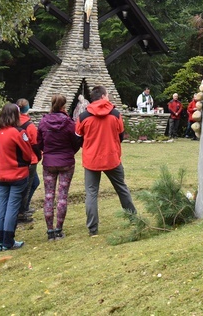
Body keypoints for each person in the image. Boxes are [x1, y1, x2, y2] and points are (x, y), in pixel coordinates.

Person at [76, 86, 137, 236]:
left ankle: (93, 229)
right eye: (107, 95)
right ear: (103, 96)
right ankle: (133, 218)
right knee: (122, 188)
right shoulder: (116, 114)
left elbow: (78, 138)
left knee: (91, 193)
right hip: (112, 157)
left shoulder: (83, 117)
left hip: (91, 160)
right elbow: (121, 135)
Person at [37, 94, 81, 241]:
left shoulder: (43, 122)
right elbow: (76, 142)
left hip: (49, 162)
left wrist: (47, 152)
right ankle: (59, 229)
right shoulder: (69, 123)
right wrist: (69, 153)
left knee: (49, 196)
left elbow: (39, 142)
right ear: (64, 106)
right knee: (62, 196)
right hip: (66, 163)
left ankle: (50, 231)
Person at [0, 103, 35, 251]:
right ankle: (8, 240)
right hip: (17, 173)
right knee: (12, 207)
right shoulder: (18, 132)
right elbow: (27, 152)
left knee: (2, 206)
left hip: (1, 174)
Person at [16, 98, 40, 224]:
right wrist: (39, 155)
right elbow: (35, 143)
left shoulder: (14, 123)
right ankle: (21, 212)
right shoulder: (29, 126)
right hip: (30, 160)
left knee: (34, 182)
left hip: (19, 160)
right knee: (28, 185)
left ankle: (24, 207)